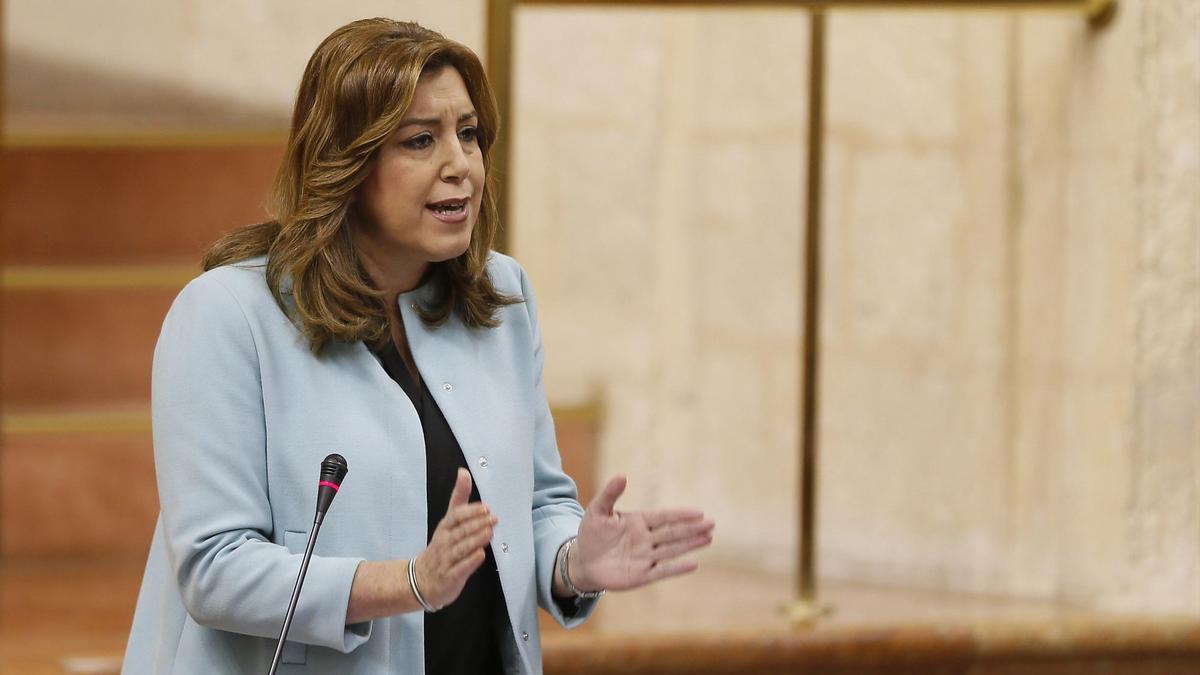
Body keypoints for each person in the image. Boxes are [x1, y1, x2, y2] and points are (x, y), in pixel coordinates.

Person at [121, 17, 714, 675]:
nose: (459, 165)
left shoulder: (500, 296)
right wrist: (409, 581)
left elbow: (539, 505)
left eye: (468, 134)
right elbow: (214, 567)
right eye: (420, 140)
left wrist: (578, 560)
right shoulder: (228, 316)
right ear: (347, 162)